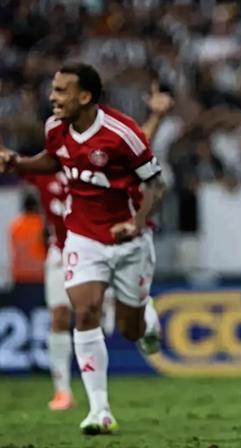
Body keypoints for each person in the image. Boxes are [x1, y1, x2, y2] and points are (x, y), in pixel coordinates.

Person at [0, 63, 166, 435]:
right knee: (85, 310)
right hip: (82, 236)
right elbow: (53, 160)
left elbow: (157, 185)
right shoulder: (55, 128)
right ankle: (99, 410)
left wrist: (136, 224)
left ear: (85, 97)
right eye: (53, 89)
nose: (52, 97)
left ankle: (147, 318)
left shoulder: (122, 133)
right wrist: (19, 163)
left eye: (61, 91)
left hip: (128, 240)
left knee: (129, 329)